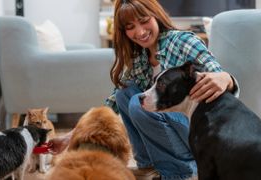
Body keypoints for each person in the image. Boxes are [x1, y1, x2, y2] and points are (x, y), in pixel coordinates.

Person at [47, 0, 239, 179]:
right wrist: (69, 137)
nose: (139, 32)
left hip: (198, 133)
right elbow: (112, 103)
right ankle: (148, 164)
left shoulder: (182, 41)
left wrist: (227, 78)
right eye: (130, 27)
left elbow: (217, 76)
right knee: (124, 94)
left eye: (144, 21)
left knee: (139, 104)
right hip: (174, 127)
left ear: (155, 15)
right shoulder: (139, 57)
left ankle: (180, 171)